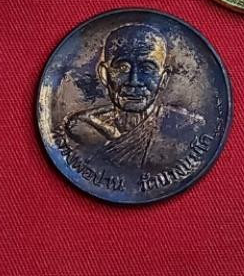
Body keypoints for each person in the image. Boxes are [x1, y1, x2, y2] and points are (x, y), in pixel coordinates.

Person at [65, 24, 205, 169]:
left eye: (147, 68)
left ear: (163, 79)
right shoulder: (85, 126)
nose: (134, 81)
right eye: (123, 68)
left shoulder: (186, 126)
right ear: (104, 75)